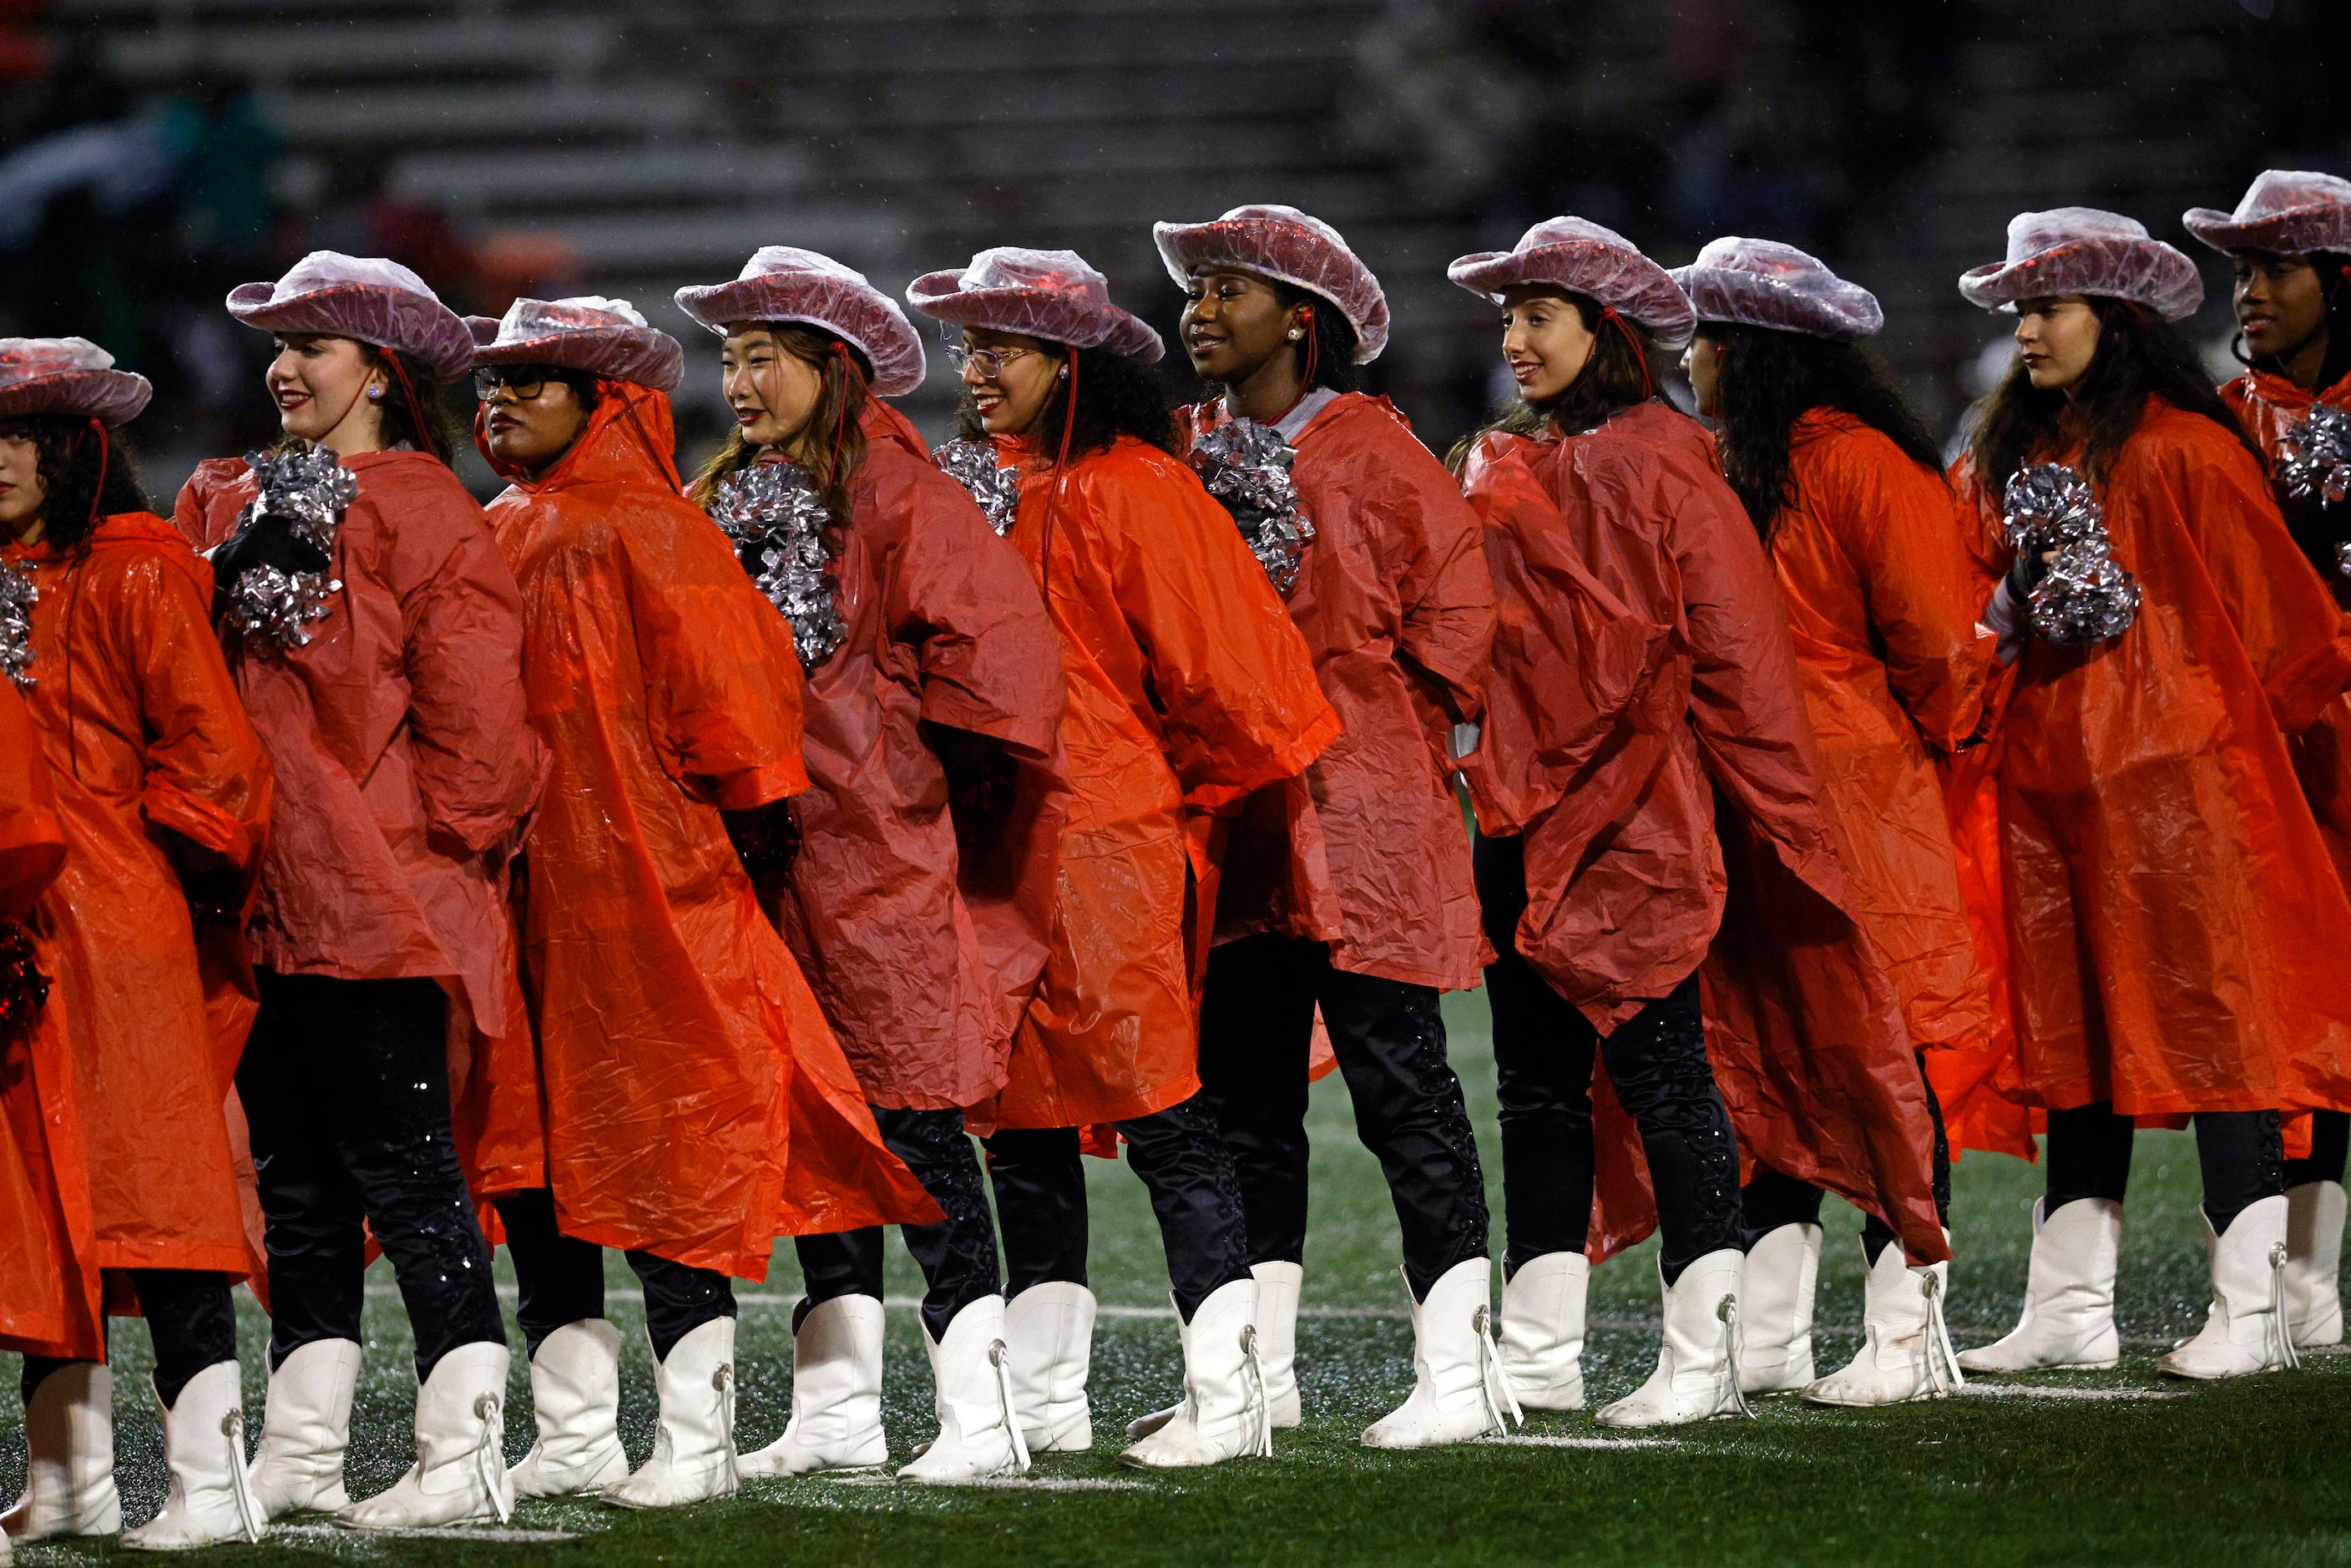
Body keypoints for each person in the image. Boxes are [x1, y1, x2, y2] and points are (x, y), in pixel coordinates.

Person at [1449, 218, 1947, 1429]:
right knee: (1534, 1084)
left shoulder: (1674, 460)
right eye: (1507, 316)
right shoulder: (1495, 458)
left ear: (1606, 330)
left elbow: (1740, 659)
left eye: (1539, 315)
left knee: (1670, 1078)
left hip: (1640, 820)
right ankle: (1540, 1351)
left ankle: (1701, 1352)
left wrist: (1785, 824)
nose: (1514, 338)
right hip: (1520, 814)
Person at [468, 294, 941, 1508]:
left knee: (670, 1138)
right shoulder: (513, 519)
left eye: (536, 377)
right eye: (496, 377)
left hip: (647, 886)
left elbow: (744, 712)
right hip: (529, 886)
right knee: (535, 1152)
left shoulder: (648, 525)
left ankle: (694, 1428)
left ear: (604, 396)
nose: (502, 396)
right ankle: (574, 1427)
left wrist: (692, 845)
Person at [905, 247, 1339, 1469]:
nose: (976, 370)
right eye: (969, 346)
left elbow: (1238, 683)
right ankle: (1045, 1398)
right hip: (1000, 846)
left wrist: (1160, 799)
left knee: (1161, 1107)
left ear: (1073, 362)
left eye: (1005, 348)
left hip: (1105, 842)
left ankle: (1232, 1389)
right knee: (1019, 1117)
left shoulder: (1139, 487)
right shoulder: (985, 486)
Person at [673, 249, 1067, 1483]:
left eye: (763, 356)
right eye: (729, 356)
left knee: (915, 1119)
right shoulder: (724, 488)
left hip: (875, 847)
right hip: (764, 854)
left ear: (831, 368)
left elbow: (1003, 660)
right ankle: (837, 1405)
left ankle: (981, 1411)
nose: (738, 379)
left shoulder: (901, 489)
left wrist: (916, 765)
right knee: (809, 1123)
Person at [1948, 209, 2351, 1380]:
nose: (2024, 330)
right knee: (2075, 1043)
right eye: (2019, 309)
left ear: (2115, 323)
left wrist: (2199, 734)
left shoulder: (2188, 449)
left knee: (2220, 1034)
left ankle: (2253, 1308)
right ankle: (2070, 1305)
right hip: (2056, 796)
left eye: (2047, 307)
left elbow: (2297, 636)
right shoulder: (2022, 457)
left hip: (2184, 797)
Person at [174, 252, 539, 1527]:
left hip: (382, 899)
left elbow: (483, 718)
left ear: (379, 372)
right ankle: (305, 1447)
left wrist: (423, 846)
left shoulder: (429, 507)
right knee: (299, 1182)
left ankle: (463, 1454)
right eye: (278, 344)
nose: (283, 365)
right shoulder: (230, 495)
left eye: (313, 345)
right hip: (267, 894)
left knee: (413, 1176)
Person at [1151, 205, 1504, 1447]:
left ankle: (1462, 1374)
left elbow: (1462, 628)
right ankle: (1262, 1375)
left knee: (1399, 1085)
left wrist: (1375, 720)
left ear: (1301, 319)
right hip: (1248, 819)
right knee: (1245, 1099)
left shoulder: (1376, 450)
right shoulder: (1189, 447)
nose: (1198, 308)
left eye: (1226, 287)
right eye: (1193, 288)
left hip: (1361, 815)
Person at [1675, 239, 1993, 1406]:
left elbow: (1942, 649)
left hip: (1854, 804)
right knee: (1770, 1049)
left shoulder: (1858, 466)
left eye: (1707, 338)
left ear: (1753, 353)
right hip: (1763, 799)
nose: (1689, 358)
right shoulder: (1724, 466)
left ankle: (1908, 1333)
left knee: (1881, 1052)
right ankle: (1774, 1334)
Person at [0, 337, 273, 1550]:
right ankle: (70, 1477)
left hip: (120, 931)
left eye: (22, 435)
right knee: (43, 1208)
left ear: (77, 451)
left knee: (161, 1203)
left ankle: (211, 1486)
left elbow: (215, 754)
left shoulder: (139, 567)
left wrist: (146, 857)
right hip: (20, 937)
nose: (0, 459)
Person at [2184, 169, 2351, 1350]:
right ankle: (2300, 1283)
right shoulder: (2218, 419)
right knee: (2288, 1009)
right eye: (2239, 270)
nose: (2248, 292)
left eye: (2274, 268)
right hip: (2267, 754)